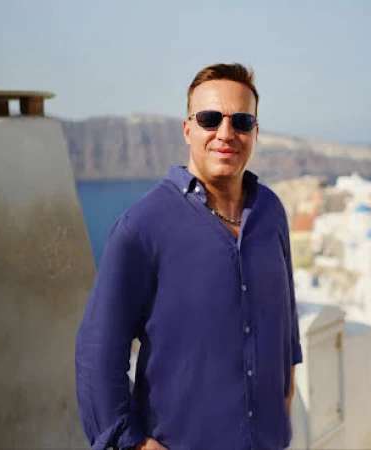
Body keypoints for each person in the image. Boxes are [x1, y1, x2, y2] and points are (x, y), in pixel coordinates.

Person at [75, 63, 302, 450]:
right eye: (210, 119)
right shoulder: (142, 226)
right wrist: (132, 444)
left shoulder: (271, 213)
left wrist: (284, 404)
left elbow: (286, 327)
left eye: (242, 121)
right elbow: (96, 354)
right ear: (187, 129)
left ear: (255, 132)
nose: (225, 133)